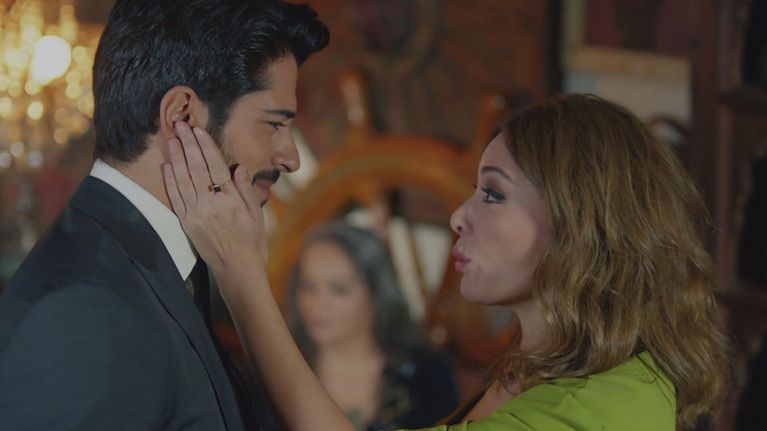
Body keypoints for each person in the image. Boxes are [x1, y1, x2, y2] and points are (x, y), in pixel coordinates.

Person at [163, 94, 731, 430]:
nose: (459, 216)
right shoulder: (536, 368)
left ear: (579, 222)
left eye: (493, 194)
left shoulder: (602, 407)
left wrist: (240, 274)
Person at [0, 1, 328, 430]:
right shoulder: (82, 311)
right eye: (273, 124)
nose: (290, 158)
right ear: (182, 116)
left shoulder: (152, 266)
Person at [285, 221, 459, 430]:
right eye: (308, 287)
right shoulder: (276, 369)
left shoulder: (427, 376)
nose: (317, 304)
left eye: (339, 289)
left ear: (376, 293)